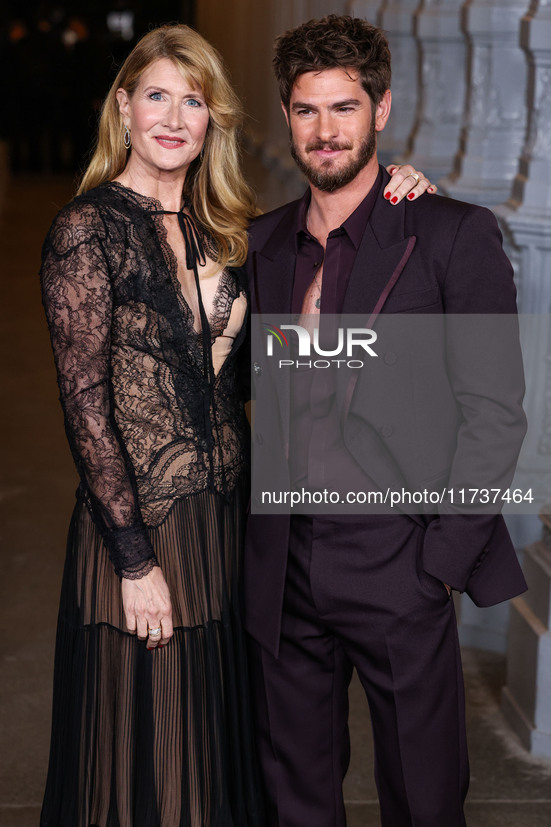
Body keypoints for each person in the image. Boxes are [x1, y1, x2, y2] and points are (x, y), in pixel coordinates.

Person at [39, 20, 431, 827]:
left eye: (194, 99)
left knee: (220, 749)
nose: (174, 116)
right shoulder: (87, 230)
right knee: (148, 759)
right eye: (156, 95)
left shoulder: (231, 232)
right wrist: (134, 558)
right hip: (142, 530)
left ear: (213, 116)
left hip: (231, 529)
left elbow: (269, 368)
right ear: (123, 106)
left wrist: (397, 192)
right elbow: (84, 404)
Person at [244, 15, 528, 827]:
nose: (324, 131)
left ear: (380, 109)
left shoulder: (447, 233)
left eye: (343, 107)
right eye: (306, 110)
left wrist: (438, 557)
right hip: (285, 564)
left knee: (424, 797)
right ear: (288, 116)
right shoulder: (265, 245)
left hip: (398, 556)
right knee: (293, 796)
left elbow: (492, 412)